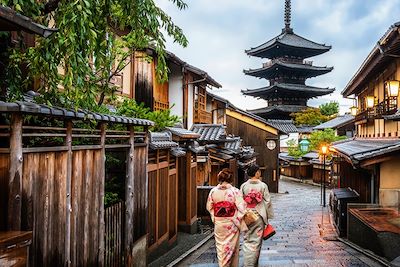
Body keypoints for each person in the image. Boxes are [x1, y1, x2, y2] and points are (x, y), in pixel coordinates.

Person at [206, 168, 247, 267]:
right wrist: (237, 216)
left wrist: (215, 217)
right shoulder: (235, 191)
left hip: (219, 224)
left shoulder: (213, 191)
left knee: (221, 249)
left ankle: (222, 264)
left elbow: (209, 207)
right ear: (231, 179)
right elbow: (242, 208)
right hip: (231, 224)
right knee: (233, 249)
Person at [240, 164, 274, 267]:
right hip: (259, 216)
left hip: (247, 216)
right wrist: (268, 218)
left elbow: (240, 201)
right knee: (256, 242)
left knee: (247, 239)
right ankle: (251, 264)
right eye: (259, 171)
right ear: (256, 173)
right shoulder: (263, 186)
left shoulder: (244, 186)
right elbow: (267, 202)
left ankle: (248, 262)